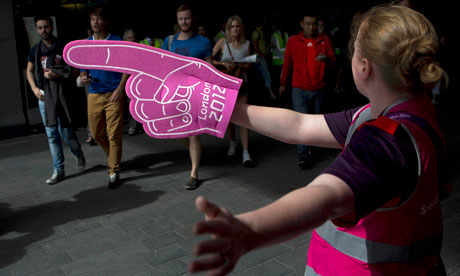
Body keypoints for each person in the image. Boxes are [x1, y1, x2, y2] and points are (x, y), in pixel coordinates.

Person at [190, 4, 449, 276]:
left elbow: (326, 196)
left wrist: (252, 229)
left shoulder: (387, 141)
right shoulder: (406, 111)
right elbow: (300, 125)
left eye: (354, 48)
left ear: (363, 67)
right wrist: (220, 108)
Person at [26, 15, 86, 184]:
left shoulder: (63, 46)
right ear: (37, 29)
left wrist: (58, 74)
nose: (43, 30)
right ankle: (58, 170)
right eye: (40, 28)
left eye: (46, 27)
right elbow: (29, 71)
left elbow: (74, 70)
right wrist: (34, 89)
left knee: (67, 132)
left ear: (52, 27)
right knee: (52, 134)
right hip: (44, 97)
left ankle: (77, 152)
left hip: (63, 95)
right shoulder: (35, 50)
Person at [162, 4, 213, 190]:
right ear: (177, 21)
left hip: (196, 93)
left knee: (192, 133)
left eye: (187, 18)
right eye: (181, 18)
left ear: (193, 19)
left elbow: (210, 69)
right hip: (175, 93)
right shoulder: (170, 42)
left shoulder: (204, 42)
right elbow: (164, 67)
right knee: (178, 131)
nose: (184, 22)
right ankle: (195, 154)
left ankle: (194, 173)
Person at [80, 6, 128, 189]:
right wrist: (84, 75)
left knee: (114, 134)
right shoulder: (86, 43)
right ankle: (113, 158)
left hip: (113, 93)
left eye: (99, 19)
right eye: (93, 19)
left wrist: (120, 88)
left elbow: (127, 67)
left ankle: (113, 170)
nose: (95, 23)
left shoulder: (117, 41)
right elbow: (82, 65)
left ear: (105, 21)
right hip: (94, 93)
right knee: (96, 133)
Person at [279, 13, 335, 169]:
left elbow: (332, 60)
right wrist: (283, 83)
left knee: (316, 122)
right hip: (299, 88)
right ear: (301, 24)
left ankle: (314, 149)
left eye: (314, 24)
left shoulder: (324, 40)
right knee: (301, 122)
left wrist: (327, 60)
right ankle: (303, 155)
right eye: (308, 24)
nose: (312, 27)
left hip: (319, 87)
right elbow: (287, 64)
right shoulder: (293, 41)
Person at [211, 15, 253, 167]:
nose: (235, 29)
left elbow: (249, 64)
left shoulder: (246, 43)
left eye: (238, 26)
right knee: (229, 116)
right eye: (232, 27)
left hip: (242, 83)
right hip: (226, 84)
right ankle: (233, 141)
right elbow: (209, 57)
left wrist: (240, 66)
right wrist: (223, 63)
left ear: (241, 28)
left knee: (244, 117)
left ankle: (246, 152)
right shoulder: (222, 42)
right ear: (228, 29)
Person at [252, 15, 277, 100]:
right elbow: (255, 47)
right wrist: (262, 55)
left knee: (260, 76)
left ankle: (261, 94)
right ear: (262, 22)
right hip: (259, 57)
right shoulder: (256, 32)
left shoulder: (260, 32)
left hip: (260, 56)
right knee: (266, 74)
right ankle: (270, 93)